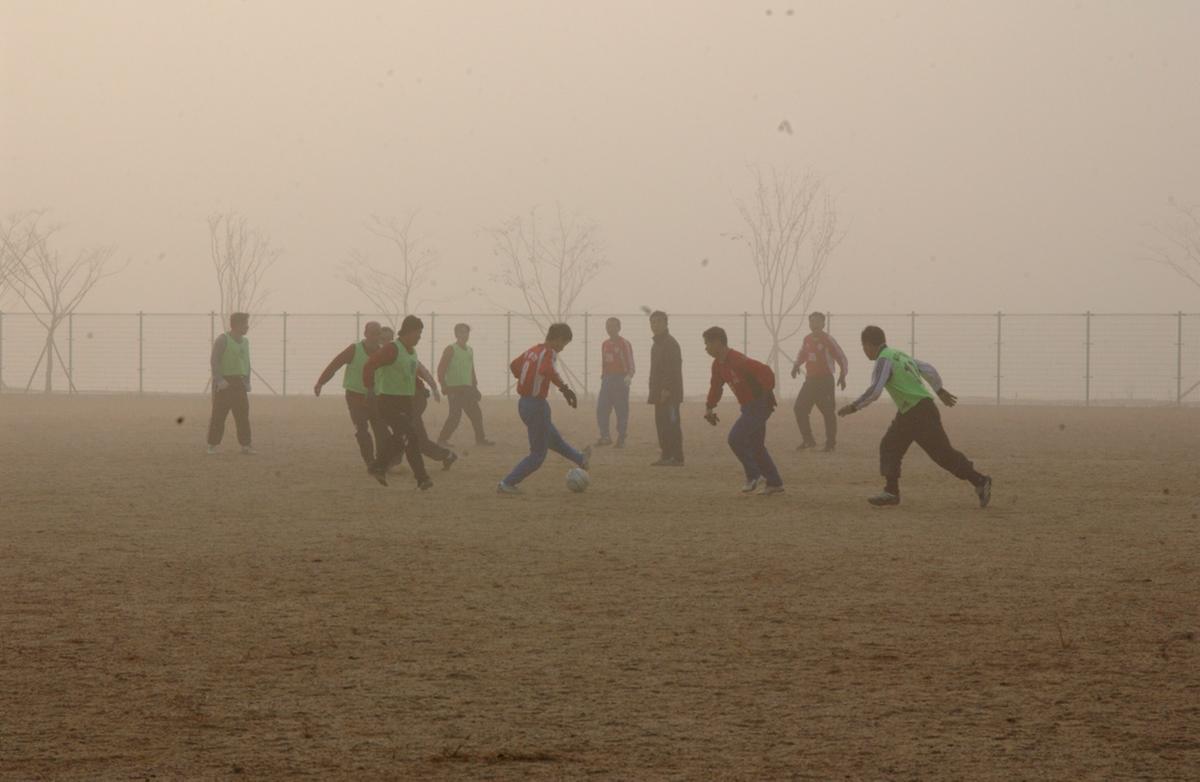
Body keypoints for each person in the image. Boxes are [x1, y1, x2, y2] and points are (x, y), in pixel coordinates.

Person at [838, 325, 992, 508]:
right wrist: (939, 389)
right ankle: (891, 492)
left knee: (941, 454)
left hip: (916, 412)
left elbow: (875, 390)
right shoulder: (900, 355)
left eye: (863, 347)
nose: (864, 351)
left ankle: (980, 481)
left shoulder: (883, 359)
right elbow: (928, 369)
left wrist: (854, 406)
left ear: (869, 345)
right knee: (892, 446)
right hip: (917, 410)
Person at [497, 323, 591, 495]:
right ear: (557, 339)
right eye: (563, 344)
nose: (562, 349)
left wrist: (526, 378)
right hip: (537, 406)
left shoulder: (533, 350)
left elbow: (514, 365)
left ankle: (580, 459)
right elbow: (546, 369)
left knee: (553, 439)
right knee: (538, 455)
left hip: (524, 404)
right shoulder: (549, 352)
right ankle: (507, 483)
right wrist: (564, 388)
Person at [702, 326, 783, 495]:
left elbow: (765, 371)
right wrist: (709, 407)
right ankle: (774, 483)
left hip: (759, 405)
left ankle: (754, 475)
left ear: (718, 343)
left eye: (708, 344)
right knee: (757, 446)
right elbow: (716, 387)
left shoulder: (738, 360)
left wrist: (765, 392)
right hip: (748, 407)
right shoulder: (717, 365)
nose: (706, 348)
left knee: (735, 438)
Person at [362, 316, 433, 490]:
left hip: (405, 401)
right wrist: (370, 387)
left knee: (402, 439)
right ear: (408, 332)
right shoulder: (392, 349)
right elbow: (369, 365)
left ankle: (378, 466)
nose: (419, 337)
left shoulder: (411, 352)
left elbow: (411, 373)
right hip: (388, 400)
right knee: (411, 436)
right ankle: (422, 478)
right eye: (418, 333)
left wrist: (421, 388)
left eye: (421, 333)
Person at [312, 320, 389, 466]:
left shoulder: (384, 353)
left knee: (381, 430)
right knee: (362, 429)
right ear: (365, 334)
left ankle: (383, 460)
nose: (375, 337)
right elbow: (336, 364)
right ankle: (370, 462)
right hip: (355, 396)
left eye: (378, 334)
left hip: (376, 398)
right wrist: (321, 382)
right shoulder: (354, 349)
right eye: (372, 333)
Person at [791, 311, 848, 452]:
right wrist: (796, 365)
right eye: (812, 322)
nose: (814, 324)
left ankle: (830, 443)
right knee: (799, 408)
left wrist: (843, 375)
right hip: (810, 381)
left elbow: (841, 357)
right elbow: (803, 353)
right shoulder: (807, 339)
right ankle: (808, 440)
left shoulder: (828, 339)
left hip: (825, 382)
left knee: (828, 412)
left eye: (817, 322)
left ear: (823, 324)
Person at [436, 323, 493, 447]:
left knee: (476, 414)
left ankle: (480, 440)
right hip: (454, 389)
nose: (464, 335)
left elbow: (471, 369)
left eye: (466, 332)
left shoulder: (470, 350)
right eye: (461, 332)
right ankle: (442, 439)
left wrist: (475, 387)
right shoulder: (450, 349)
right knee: (455, 416)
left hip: (467, 388)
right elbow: (441, 368)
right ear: (456, 334)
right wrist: (443, 385)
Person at [206, 311, 255, 455]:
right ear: (236, 325)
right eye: (244, 324)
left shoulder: (245, 342)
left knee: (242, 415)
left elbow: (246, 362)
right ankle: (212, 445)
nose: (247, 327)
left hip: (239, 383)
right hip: (224, 384)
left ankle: (246, 445)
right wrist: (219, 380)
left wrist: (247, 381)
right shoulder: (223, 340)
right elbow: (214, 361)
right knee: (219, 415)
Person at [647, 310, 684, 466]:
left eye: (658, 322)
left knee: (672, 424)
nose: (655, 325)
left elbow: (673, 368)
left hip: (670, 395)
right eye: (653, 322)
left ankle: (677, 457)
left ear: (666, 323)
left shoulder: (671, 344)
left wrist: (666, 389)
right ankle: (666, 455)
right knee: (661, 424)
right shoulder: (656, 345)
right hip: (658, 394)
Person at [595, 316, 635, 447]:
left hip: (620, 379)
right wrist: (603, 377)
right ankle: (605, 436)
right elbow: (604, 362)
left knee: (621, 409)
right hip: (607, 379)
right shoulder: (604, 344)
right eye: (607, 326)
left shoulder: (624, 343)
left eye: (613, 326)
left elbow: (630, 363)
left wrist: (629, 376)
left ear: (619, 328)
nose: (609, 328)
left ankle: (621, 437)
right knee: (602, 408)